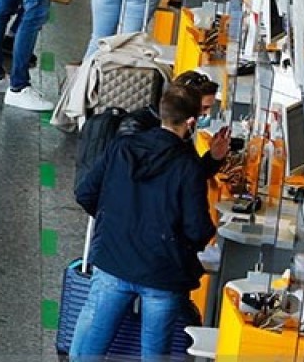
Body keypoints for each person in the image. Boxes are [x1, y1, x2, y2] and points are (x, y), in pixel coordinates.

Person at [69, 85, 216, 359]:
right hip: (163, 275)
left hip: (113, 262)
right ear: (192, 122)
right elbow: (197, 229)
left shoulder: (122, 147)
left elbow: (85, 193)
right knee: (153, 354)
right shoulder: (188, 166)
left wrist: (113, 222)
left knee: (86, 351)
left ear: (161, 112)